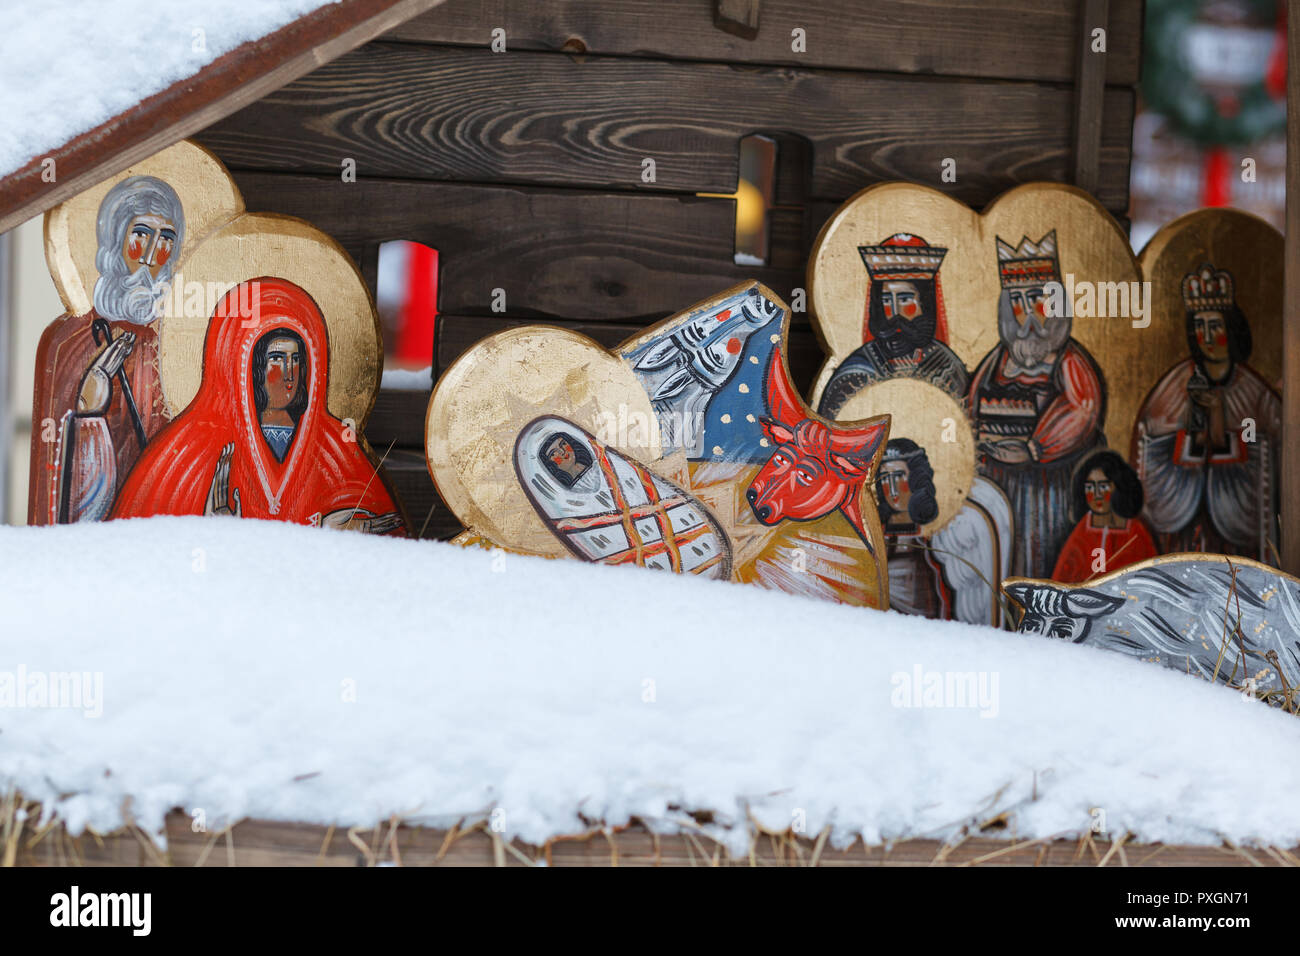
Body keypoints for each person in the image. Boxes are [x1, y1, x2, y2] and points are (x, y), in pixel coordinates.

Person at [110, 277, 404, 535]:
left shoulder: (335, 449)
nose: (289, 372)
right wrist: (209, 533)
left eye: (297, 358)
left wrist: (331, 534)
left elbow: (386, 551)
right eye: (276, 358)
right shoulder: (189, 450)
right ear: (246, 366)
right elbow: (142, 554)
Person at [30, 176, 184, 523]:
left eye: (165, 241)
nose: (149, 256)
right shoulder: (72, 342)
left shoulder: (179, 342)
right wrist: (89, 414)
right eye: (141, 234)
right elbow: (58, 491)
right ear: (115, 239)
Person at [969, 230, 1105, 578]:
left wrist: (1034, 448)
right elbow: (972, 400)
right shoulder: (999, 358)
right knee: (998, 553)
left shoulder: (1068, 360)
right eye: (1017, 301)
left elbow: (1083, 408)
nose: (1027, 314)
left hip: (1048, 488)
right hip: (995, 478)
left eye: (1037, 299)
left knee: (1036, 554)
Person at [1133, 263, 1281, 560]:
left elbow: (1265, 441)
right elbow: (1149, 438)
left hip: (1238, 533)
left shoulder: (1253, 392)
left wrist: (1225, 431)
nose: (1207, 337)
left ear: (1231, 328)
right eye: (1199, 327)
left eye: (1215, 327)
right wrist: (1189, 438)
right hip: (1184, 528)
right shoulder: (1174, 385)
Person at [818, 233, 968, 416]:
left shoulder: (947, 366)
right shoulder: (856, 372)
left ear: (925, 305)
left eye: (905, 299)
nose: (895, 312)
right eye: (887, 300)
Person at [1051, 451, 1157, 583]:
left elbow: (1151, 579)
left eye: (1103, 486)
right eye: (1090, 487)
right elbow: (1061, 580)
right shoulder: (1082, 532)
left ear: (1117, 487)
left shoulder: (1136, 532)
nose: (1096, 494)